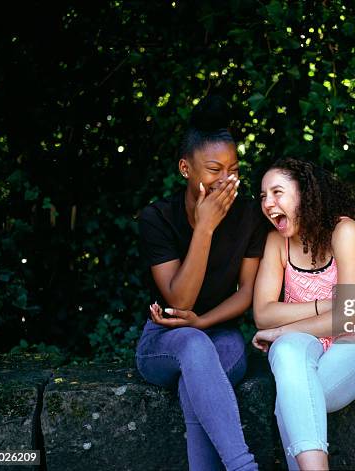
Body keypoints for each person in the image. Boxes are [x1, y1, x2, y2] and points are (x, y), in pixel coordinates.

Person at [135, 96, 267, 471]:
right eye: (213, 169)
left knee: (200, 379)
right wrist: (205, 227)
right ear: (185, 168)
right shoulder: (157, 218)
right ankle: (243, 466)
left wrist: (204, 322)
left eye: (234, 169)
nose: (226, 180)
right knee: (193, 347)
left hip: (222, 335)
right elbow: (179, 299)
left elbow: (247, 295)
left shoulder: (249, 218)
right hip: (164, 338)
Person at [252, 158, 355, 471]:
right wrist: (325, 306)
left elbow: (349, 317)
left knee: (289, 403)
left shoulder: (345, 232)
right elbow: (262, 313)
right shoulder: (277, 242)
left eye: (277, 193)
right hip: (308, 339)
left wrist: (280, 330)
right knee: (288, 352)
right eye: (263, 196)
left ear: (305, 194)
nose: (268, 203)